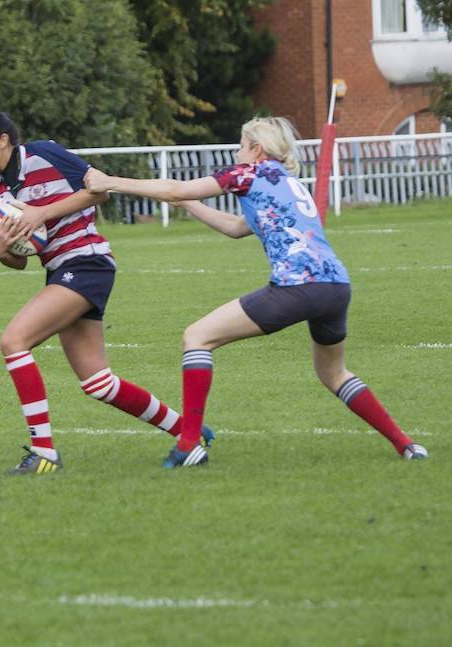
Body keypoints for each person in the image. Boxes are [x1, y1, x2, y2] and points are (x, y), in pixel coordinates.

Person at [84, 115, 429, 467]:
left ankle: (188, 444)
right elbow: (236, 227)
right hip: (337, 285)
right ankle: (406, 444)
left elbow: (174, 188)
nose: (236, 151)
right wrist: (187, 205)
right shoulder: (288, 182)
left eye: (240, 144)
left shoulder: (247, 173)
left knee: (197, 337)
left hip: (298, 286)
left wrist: (108, 181)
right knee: (334, 373)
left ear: (256, 149)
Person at [0, 108, 213, 475]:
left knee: (13, 341)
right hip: (59, 271)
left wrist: (39, 214)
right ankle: (189, 433)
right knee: (98, 382)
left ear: (3, 140)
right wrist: (0, 251)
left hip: (86, 263)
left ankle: (44, 453)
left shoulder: (44, 154)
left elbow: (99, 191)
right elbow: (21, 261)